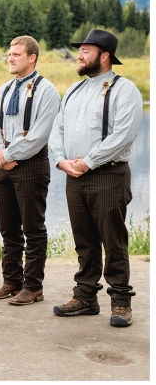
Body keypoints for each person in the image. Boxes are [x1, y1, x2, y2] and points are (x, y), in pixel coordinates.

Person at [48, 29, 143, 327]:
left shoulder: (124, 89)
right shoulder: (74, 90)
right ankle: (86, 297)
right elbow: (57, 130)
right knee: (84, 239)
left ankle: (121, 302)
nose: (79, 54)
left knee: (113, 240)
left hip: (108, 174)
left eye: (86, 51)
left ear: (105, 56)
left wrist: (88, 162)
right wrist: (61, 160)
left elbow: (123, 135)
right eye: (80, 50)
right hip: (74, 176)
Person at [0, 35, 60, 305]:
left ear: (32, 58)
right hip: (2, 164)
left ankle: (33, 286)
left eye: (17, 54)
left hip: (31, 165)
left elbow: (40, 135)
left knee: (33, 228)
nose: (10, 58)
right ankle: (11, 280)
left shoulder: (47, 90)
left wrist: (10, 153)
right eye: (9, 53)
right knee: (8, 229)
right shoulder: (5, 89)